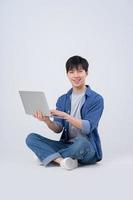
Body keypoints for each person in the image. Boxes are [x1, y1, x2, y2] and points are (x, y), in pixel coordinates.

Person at [26, 55, 104, 170]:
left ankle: (47, 155)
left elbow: (88, 127)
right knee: (31, 138)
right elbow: (58, 129)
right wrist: (47, 120)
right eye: (71, 72)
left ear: (86, 73)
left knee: (81, 143)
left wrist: (66, 116)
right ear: (67, 74)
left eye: (80, 71)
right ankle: (62, 161)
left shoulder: (96, 99)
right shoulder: (63, 99)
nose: (76, 75)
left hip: (87, 147)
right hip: (66, 144)